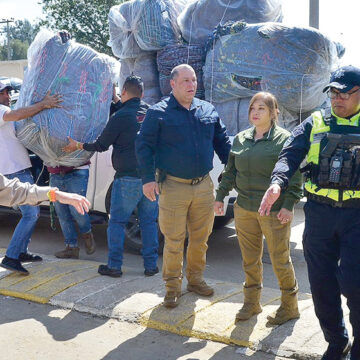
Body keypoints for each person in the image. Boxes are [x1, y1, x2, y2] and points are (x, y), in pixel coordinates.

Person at [259, 65, 360, 360]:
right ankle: (336, 340)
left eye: (344, 93)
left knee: (355, 284)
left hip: (357, 217)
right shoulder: (316, 122)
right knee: (320, 283)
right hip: (319, 215)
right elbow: (290, 153)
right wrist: (278, 182)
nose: (337, 98)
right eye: (333, 92)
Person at [136, 64, 231, 308]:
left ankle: (196, 279)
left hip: (203, 186)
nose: (192, 85)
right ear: (173, 84)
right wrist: (147, 178)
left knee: (201, 238)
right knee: (175, 239)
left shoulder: (207, 110)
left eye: (194, 80)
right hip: (174, 186)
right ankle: (171, 287)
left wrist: (234, 170)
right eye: (186, 81)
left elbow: (222, 142)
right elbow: (144, 146)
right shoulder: (158, 113)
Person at [214, 92, 302, 325]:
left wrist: (289, 204)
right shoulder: (241, 139)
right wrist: (220, 196)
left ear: (273, 113)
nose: (255, 112)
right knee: (249, 259)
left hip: (274, 210)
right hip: (244, 208)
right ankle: (252, 303)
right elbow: (230, 171)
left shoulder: (285, 139)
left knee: (280, 259)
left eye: (261, 108)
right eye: (253, 107)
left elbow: (294, 176)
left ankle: (289, 306)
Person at [63, 75, 159, 278]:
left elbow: (101, 145)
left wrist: (77, 145)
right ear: (141, 94)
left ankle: (114, 266)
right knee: (149, 222)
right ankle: (151, 266)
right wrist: (116, 99)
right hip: (151, 179)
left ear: (124, 92)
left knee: (116, 222)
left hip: (127, 179)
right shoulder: (151, 113)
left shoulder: (120, 118)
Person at [0, 80, 62, 272]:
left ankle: (21, 252)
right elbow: (17, 114)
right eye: (4, 93)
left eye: (9, 92)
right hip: (14, 170)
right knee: (31, 213)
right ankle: (11, 256)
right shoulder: (1, 111)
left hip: (19, 168)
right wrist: (44, 103)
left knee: (30, 212)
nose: (8, 96)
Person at [0, 172, 91, 275]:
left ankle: (19, 253)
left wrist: (55, 194)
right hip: (18, 171)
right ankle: (12, 256)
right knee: (31, 215)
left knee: (32, 214)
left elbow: (15, 191)